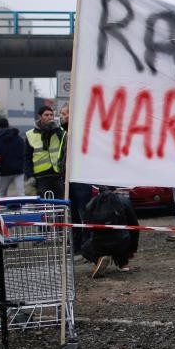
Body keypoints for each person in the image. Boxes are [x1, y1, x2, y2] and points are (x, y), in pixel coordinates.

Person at [80, 186, 139, 275]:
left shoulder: (91, 203)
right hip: (121, 241)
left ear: (98, 190)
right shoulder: (124, 200)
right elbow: (134, 226)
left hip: (99, 243)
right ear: (114, 189)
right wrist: (132, 250)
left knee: (84, 249)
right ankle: (123, 263)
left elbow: (86, 228)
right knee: (125, 235)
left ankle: (100, 258)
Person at [61, 103, 94, 255]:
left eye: (65, 113)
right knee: (73, 215)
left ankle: (88, 247)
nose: (62, 116)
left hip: (80, 180)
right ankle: (77, 247)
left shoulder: (78, 131)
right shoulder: (65, 133)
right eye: (61, 114)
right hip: (69, 181)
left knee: (84, 214)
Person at [24, 105, 65, 198]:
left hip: (57, 174)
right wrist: (29, 175)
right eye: (46, 115)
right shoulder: (30, 134)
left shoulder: (58, 131)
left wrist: (57, 129)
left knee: (60, 203)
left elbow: (65, 142)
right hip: (41, 176)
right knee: (43, 204)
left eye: (51, 115)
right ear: (40, 116)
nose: (49, 117)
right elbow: (27, 157)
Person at [0, 118, 26, 197]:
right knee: (21, 193)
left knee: (2, 194)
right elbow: (24, 154)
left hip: (5, 172)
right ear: (8, 125)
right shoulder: (19, 139)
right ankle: (24, 208)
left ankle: (2, 208)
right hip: (19, 170)